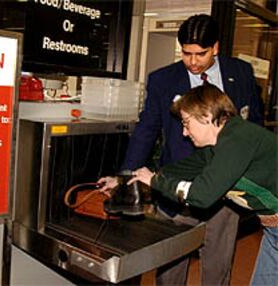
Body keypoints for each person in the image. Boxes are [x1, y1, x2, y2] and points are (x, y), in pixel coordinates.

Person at [99, 14, 264, 285]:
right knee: (170, 269)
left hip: (225, 189)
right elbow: (146, 130)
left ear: (216, 48)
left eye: (201, 54)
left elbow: (253, 124)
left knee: (217, 268)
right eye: (187, 53)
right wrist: (126, 175)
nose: (193, 61)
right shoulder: (163, 80)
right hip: (176, 189)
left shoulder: (241, 73)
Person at [131, 83, 277, 286]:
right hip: (273, 228)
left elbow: (202, 195)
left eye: (186, 123)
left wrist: (156, 181)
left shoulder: (238, 139)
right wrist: (133, 177)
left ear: (207, 115)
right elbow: (181, 169)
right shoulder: (218, 147)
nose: (184, 132)